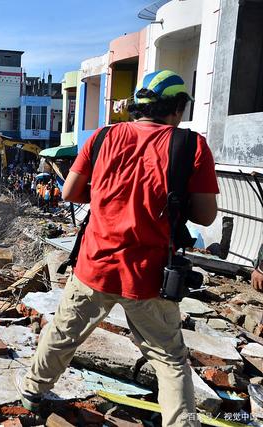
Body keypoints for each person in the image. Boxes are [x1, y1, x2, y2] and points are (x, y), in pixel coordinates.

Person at [17, 70, 219, 427]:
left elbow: (71, 193)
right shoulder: (190, 146)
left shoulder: (103, 137)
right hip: (149, 275)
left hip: (95, 265)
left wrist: (112, 196)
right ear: (176, 109)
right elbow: (205, 215)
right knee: (170, 360)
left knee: (63, 333)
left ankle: (32, 391)